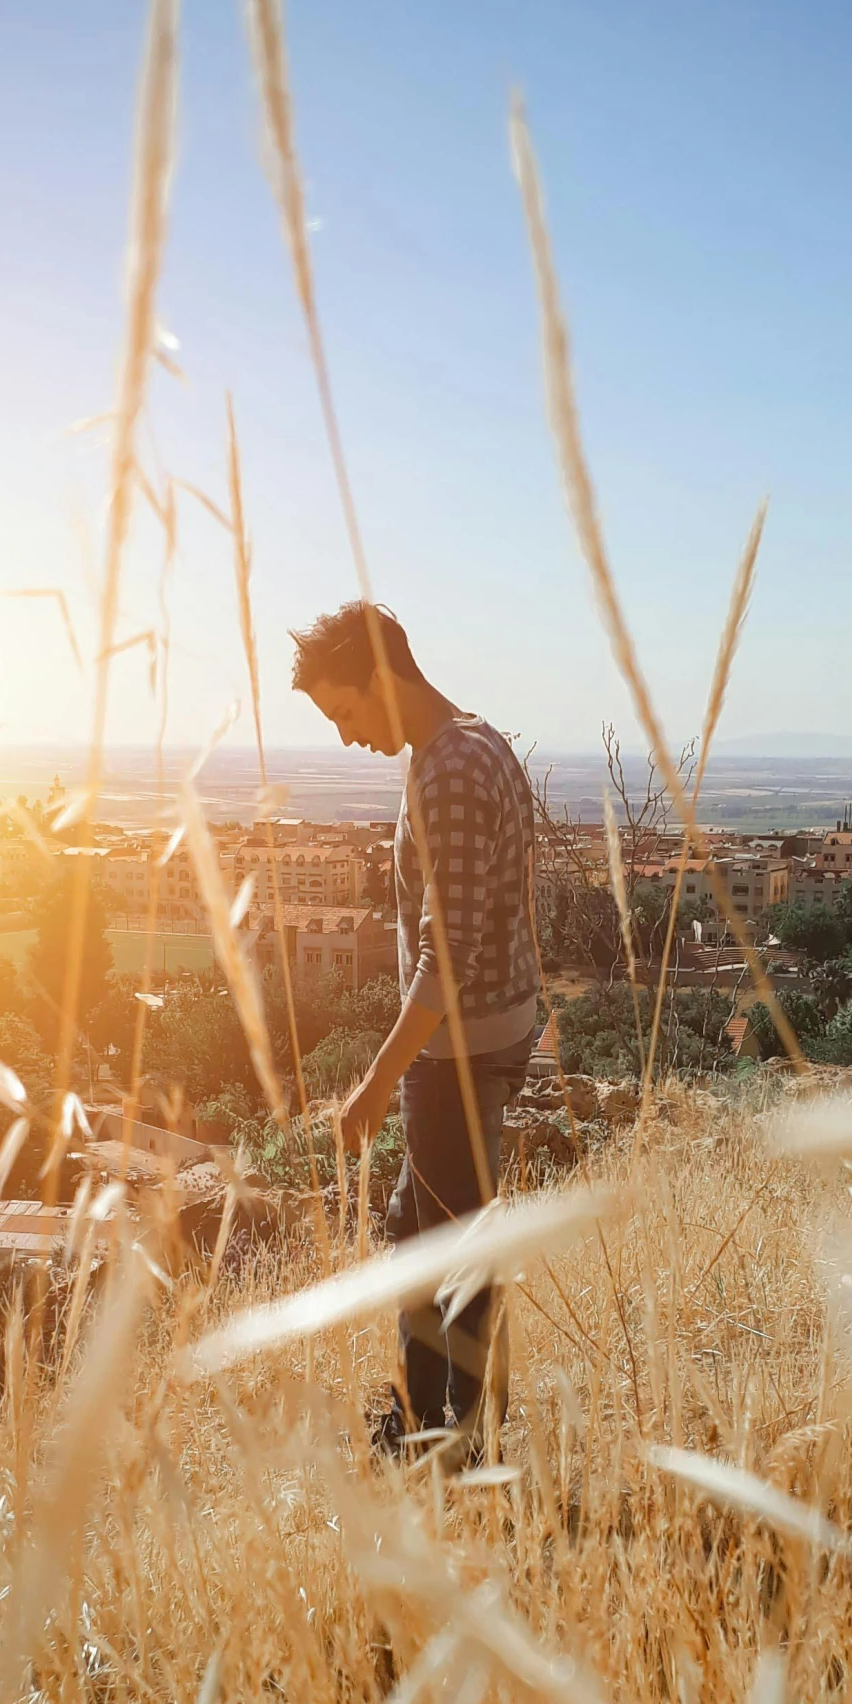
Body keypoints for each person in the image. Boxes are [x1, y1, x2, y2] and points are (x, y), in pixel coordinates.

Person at [290, 601, 538, 1457]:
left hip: (461, 1047)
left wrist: (375, 1081)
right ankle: (440, 1420)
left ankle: (443, 1438)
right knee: (438, 1229)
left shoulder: (450, 772)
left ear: (383, 677)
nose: (346, 736)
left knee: (437, 1247)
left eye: (345, 711)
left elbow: (449, 957)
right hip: (478, 1035)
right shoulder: (469, 744)